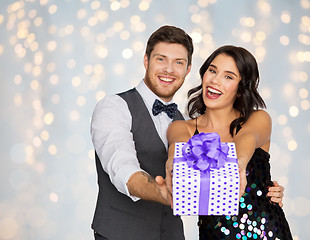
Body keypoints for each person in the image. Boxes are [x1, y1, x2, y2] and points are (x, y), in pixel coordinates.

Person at [91, 25, 285, 240]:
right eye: (161, 59)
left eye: (178, 62)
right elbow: (122, 167)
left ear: (188, 69)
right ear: (146, 60)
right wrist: (165, 187)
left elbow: (247, 138)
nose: (169, 69)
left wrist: (257, 183)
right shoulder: (116, 107)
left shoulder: (181, 118)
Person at [165, 45, 293, 239]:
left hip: (267, 232)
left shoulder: (258, 119)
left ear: (241, 89)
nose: (215, 80)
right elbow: (178, 150)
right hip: (215, 235)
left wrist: (238, 167)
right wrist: (173, 167)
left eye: (228, 76)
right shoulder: (182, 128)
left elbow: (246, 138)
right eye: (213, 70)